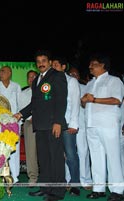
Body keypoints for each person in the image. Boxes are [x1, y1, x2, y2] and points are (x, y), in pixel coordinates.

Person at [14, 50, 67, 201]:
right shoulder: (38, 78)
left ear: (49, 62)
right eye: (38, 61)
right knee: (43, 159)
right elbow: (34, 103)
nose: (41, 63)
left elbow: (61, 100)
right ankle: (45, 188)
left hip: (52, 125)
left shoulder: (57, 75)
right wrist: (20, 114)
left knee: (55, 159)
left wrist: (58, 121)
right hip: (40, 125)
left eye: (44, 60)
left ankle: (57, 192)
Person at [81, 53, 124, 201]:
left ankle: (117, 190)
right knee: (96, 157)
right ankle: (98, 188)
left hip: (108, 125)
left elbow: (117, 100)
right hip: (91, 124)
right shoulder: (90, 83)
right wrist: (84, 100)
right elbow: (84, 102)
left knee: (113, 157)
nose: (90, 67)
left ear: (103, 65)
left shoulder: (114, 81)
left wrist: (94, 99)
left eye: (93, 64)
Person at [52, 57, 81, 196]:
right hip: (53, 124)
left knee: (70, 155)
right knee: (57, 156)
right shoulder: (51, 81)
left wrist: (74, 124)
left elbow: (75, 103)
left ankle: (75, 184)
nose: (53, 67)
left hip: (68, 123)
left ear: (64, 66)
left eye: (56, 65)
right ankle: (61, 183)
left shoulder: (71, 81)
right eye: (52, 65)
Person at [0, 66, 22, 183]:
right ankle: (0, 174)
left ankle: (15, 175)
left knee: (14, 149)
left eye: (3, 71)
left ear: (10, 73)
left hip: (14, 122)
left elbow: (20, 105)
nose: (0, 73)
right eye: (0, 71)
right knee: (0, 148)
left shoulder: (16, 86)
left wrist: (19, 120)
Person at [68, 66, 93, 190]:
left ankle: (86, 180)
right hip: (68, 125)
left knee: (83, 152)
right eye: (71, 74)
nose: (74, 77)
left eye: (76, 75)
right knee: (69, 154)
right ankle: (69, 179)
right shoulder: (65, 88)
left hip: (82, 125)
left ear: (79, 77)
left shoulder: (85, 89)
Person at [18, 70, 39, 185]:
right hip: (29, 124)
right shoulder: (23, 93)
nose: (31, 79)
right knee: (30, 153)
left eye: (34, 76)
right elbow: (22, 109)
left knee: (44, 152)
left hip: (44, 124)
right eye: (29, 77)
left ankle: (47, 178)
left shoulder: (44, 90)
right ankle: (33, 177)